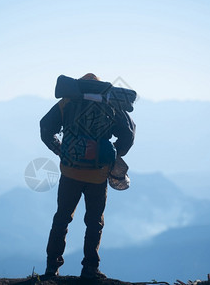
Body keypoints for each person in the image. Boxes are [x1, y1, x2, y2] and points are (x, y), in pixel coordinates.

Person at [40, 73, 136, 279]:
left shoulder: (67, 102)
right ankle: (90, 268)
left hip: (70, 171)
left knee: (62, 218)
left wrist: (61, 150)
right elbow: (128, 133)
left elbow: (45, 128)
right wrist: (112, 154)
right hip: (98, 175)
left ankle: (51, 268)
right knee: (94, 222)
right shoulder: (111, 104)